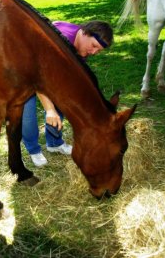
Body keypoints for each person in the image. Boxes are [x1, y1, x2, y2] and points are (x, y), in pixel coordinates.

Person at [22, 20, 113, 167]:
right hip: (23, 70)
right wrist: (50, 109)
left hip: (45, 68)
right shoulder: (59, 42)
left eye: (99, 50)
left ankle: (54, 143)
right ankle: (33, 149)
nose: (94, 52)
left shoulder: (81, 46)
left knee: (63, 101)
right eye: (94, 46)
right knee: (28, 113)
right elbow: (37, 77)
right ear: (84, 33)